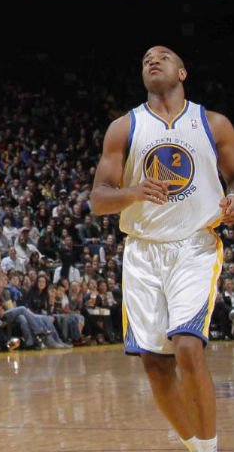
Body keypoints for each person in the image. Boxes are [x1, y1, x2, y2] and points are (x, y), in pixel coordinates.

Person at [91, 45, 234, 452]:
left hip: (194, 247)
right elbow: (98, 199)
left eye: (163, 56)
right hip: (143, 252)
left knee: (188, 347)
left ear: (183, 72)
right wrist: (133, 191)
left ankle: (209, 449)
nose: (152, 60)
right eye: (145, 59)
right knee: (156, 365)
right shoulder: (124, 127)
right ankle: (194, 445)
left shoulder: (214, 124)